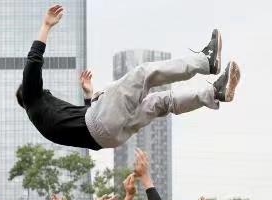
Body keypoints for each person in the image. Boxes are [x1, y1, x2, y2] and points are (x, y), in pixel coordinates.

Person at [19, 5, 240, 151]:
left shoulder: (44, 118)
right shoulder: (32, 99)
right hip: (98, 124)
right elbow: (33, 61)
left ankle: (213, 94)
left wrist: (89, 95)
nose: (45, 91)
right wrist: (46, 26)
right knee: (142, 74)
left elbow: (77, 126)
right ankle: (205, 61)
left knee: (159, 103)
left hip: (108, 139)